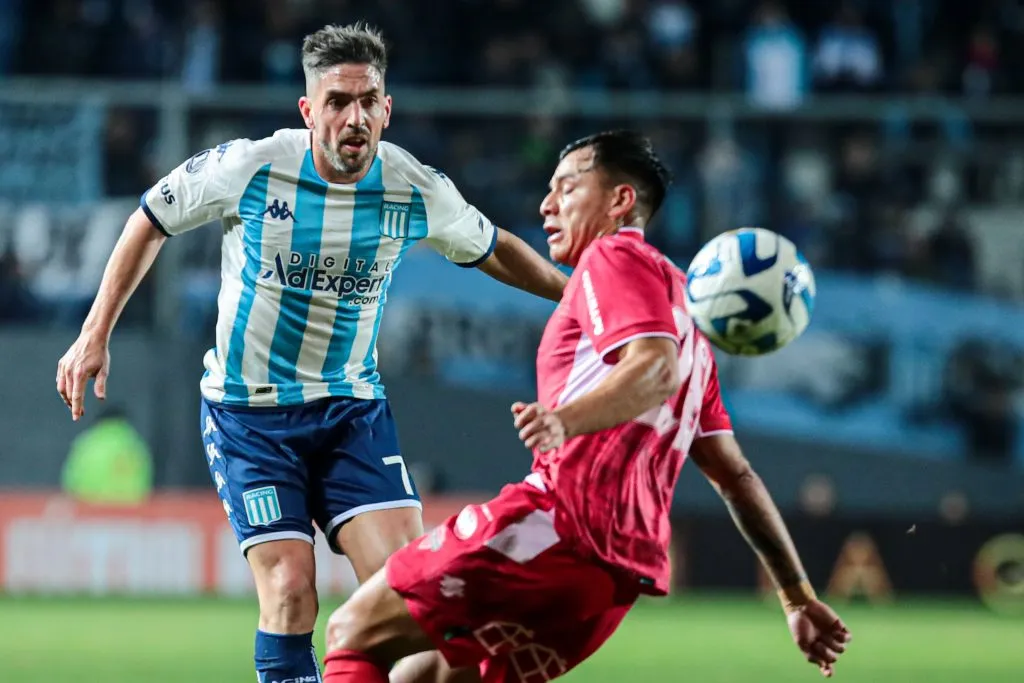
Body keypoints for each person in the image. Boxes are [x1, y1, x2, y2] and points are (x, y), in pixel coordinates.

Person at [55, 23, 567, 683]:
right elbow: (151, 217)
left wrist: (579, 293)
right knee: (292, 588)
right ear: (308, 110)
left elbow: (492, 246)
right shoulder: (253, 166)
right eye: (336, 101)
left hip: (351, 410)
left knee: (406, 599)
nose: (353, 116)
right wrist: (94, 332)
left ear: (387, 108)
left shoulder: (412, 186)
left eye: (367, 100)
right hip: (251, 416)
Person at [320, 130, 852, 683]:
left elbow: (653, 366)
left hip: (557, 524)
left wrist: (563, 420)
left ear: (620, 201)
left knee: (353, 633)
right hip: (609, 587)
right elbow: (735, 475)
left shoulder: (615, 254)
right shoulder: (691, 331)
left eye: (567, 188)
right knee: (426, 676)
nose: (547, 204)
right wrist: (796, 597)